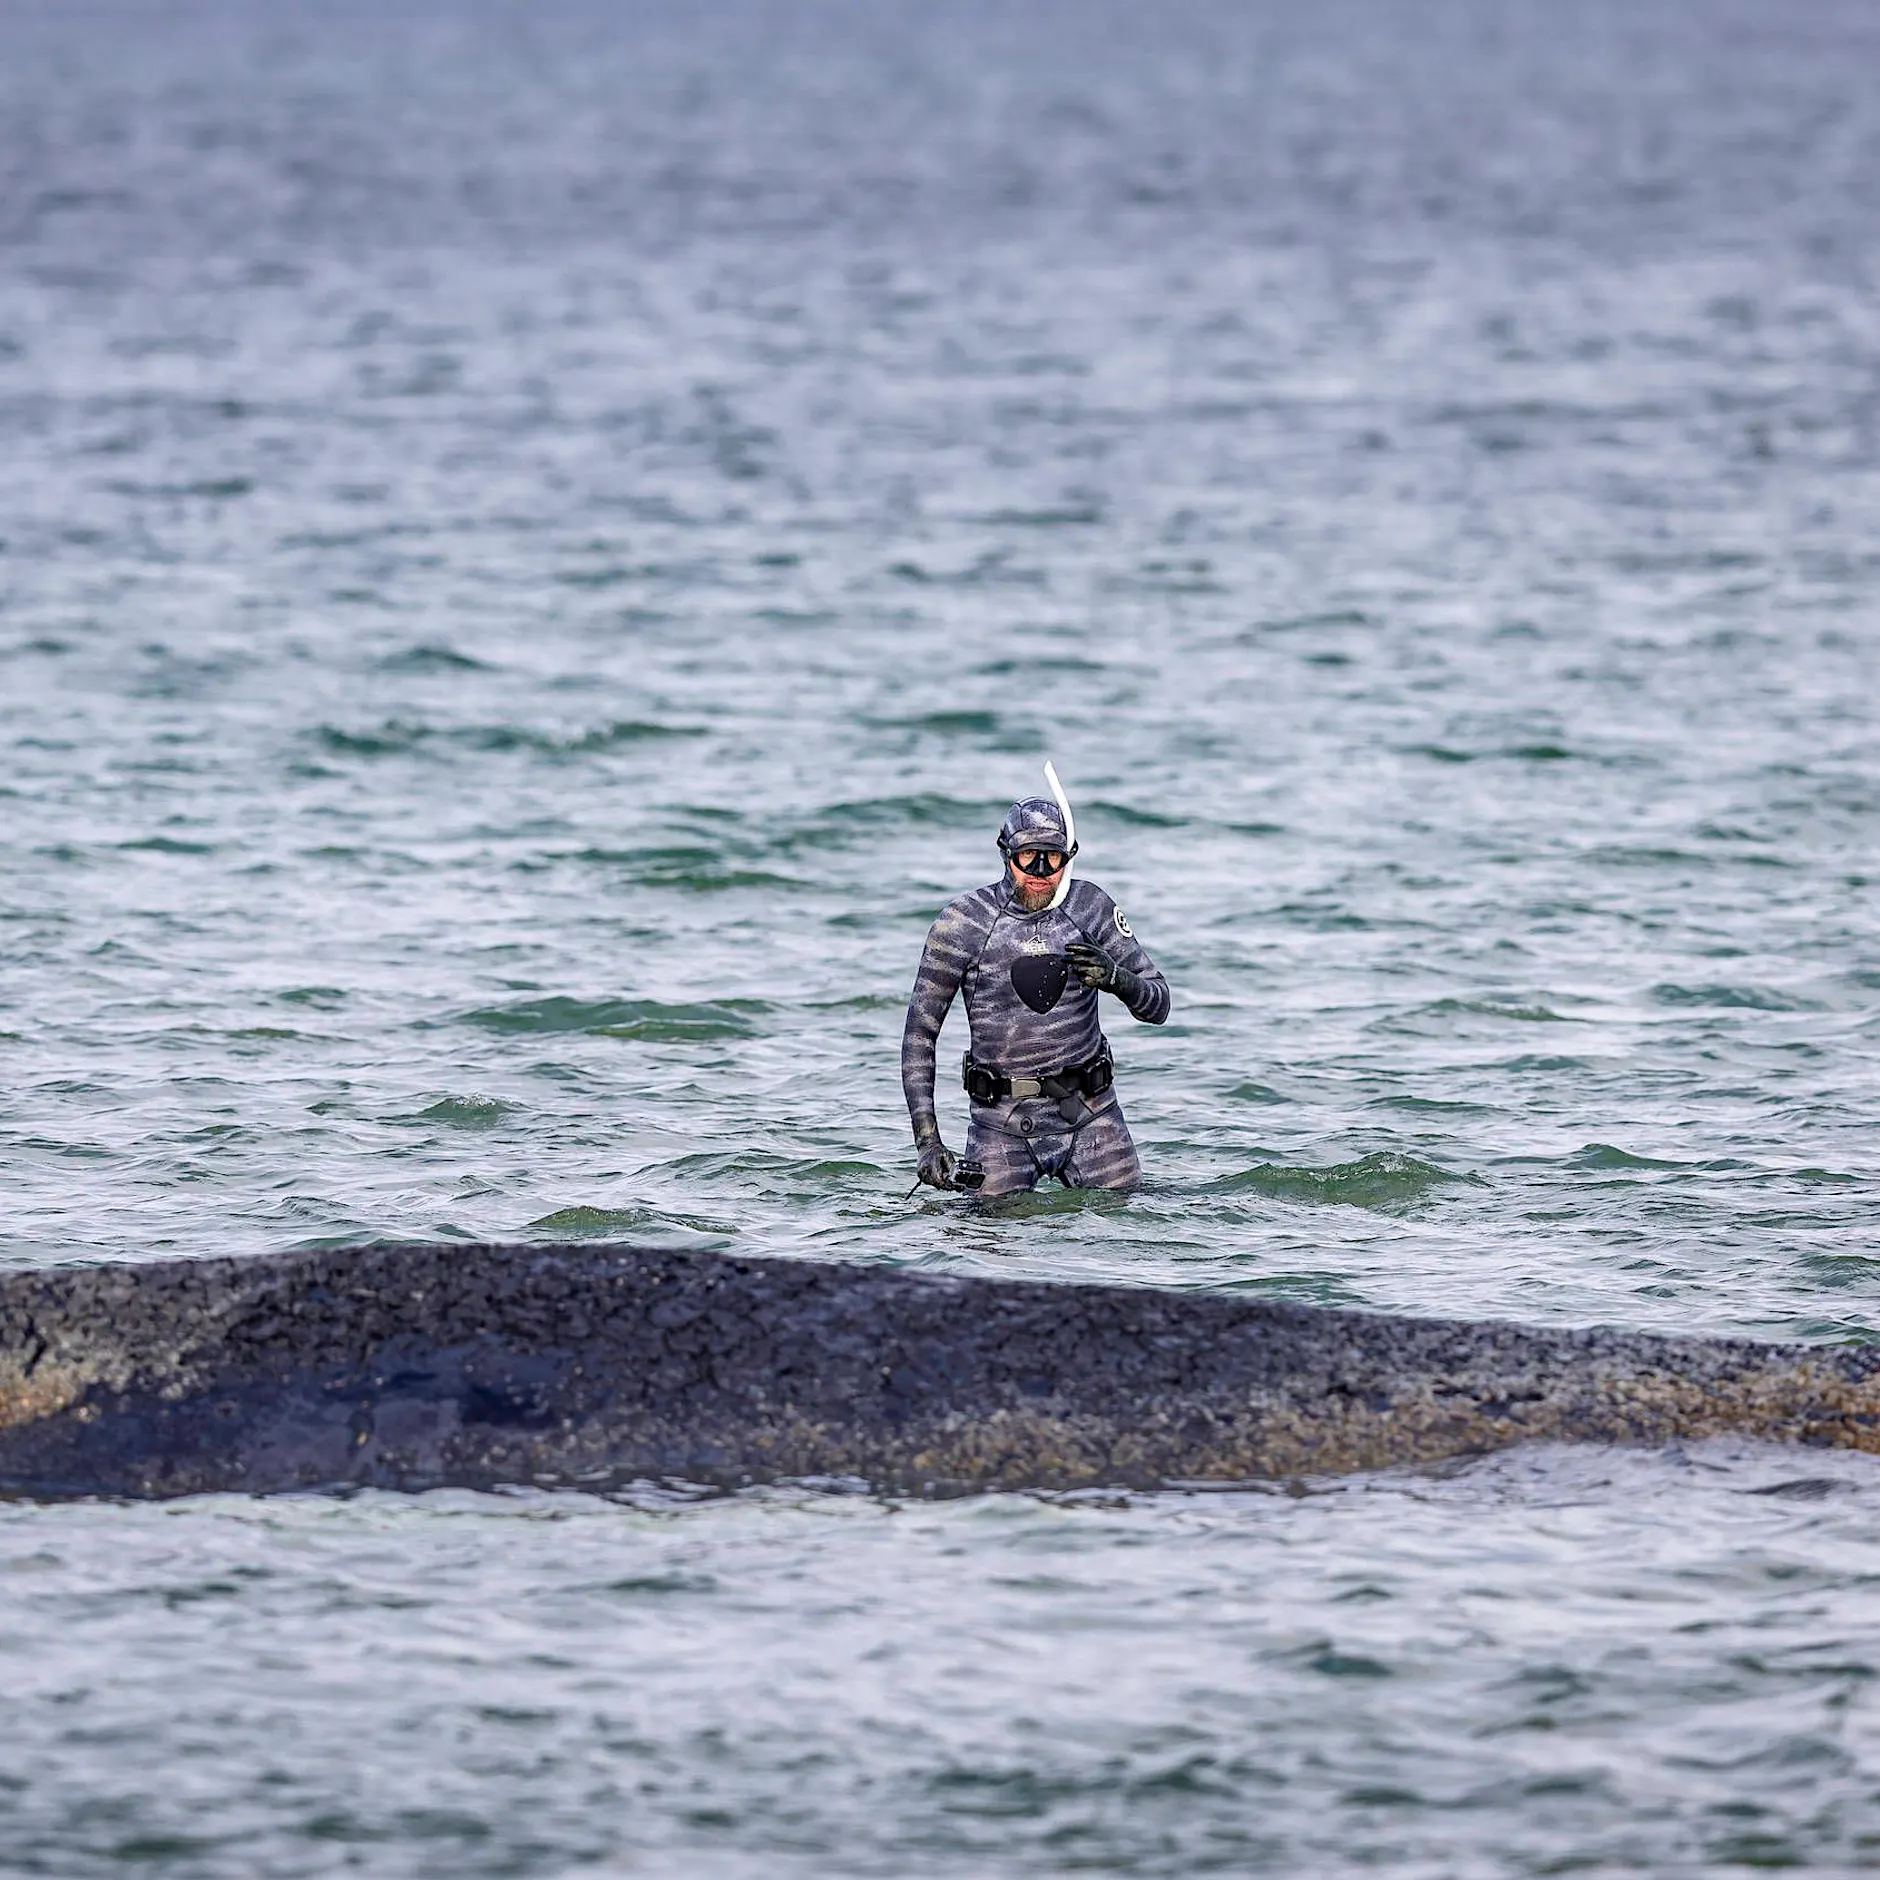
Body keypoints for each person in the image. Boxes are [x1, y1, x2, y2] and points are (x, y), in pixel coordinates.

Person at [901, 765, 1170, 1196]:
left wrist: (1117, 979)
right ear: (1005, 852)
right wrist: (928, 1143)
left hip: (1092, 1117)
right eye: (1029, 856)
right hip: (1000, 1126)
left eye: (1054, 858)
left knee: (1131, 1229)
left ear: (1070, 856)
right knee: (987, 1244)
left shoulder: (1091, 908)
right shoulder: (963, 923)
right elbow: (919, 1036)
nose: (1041, 870)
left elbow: (1159, 1003)